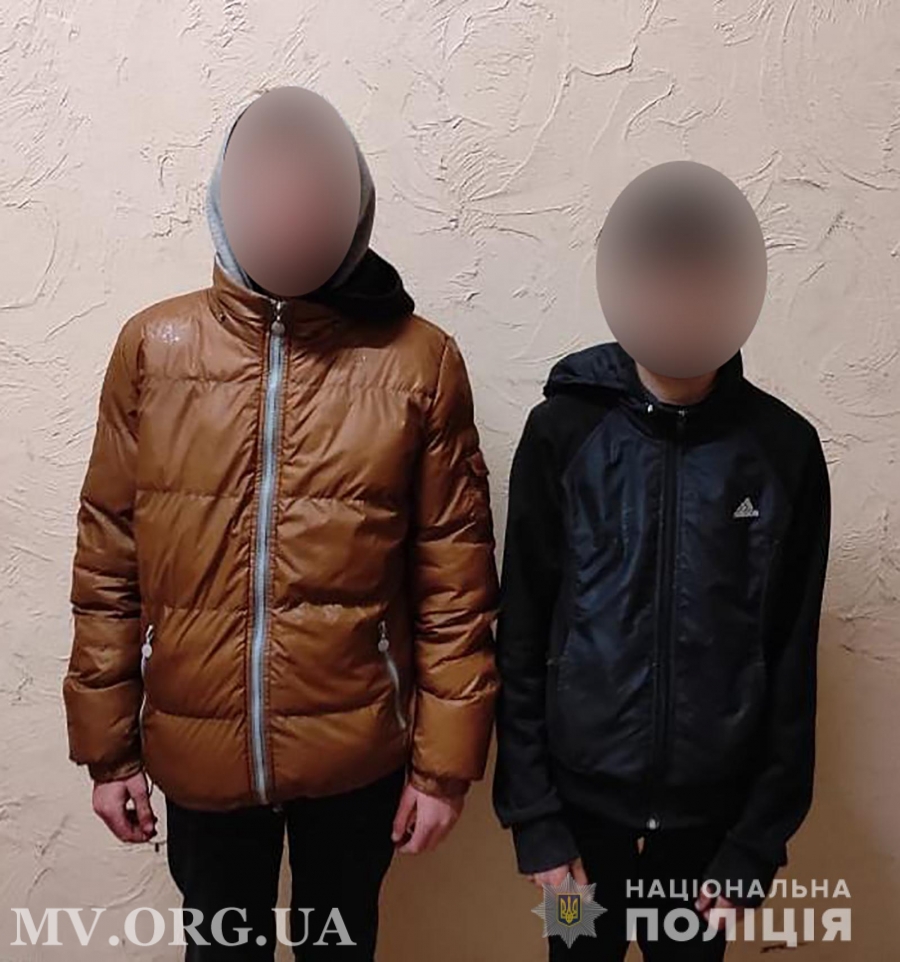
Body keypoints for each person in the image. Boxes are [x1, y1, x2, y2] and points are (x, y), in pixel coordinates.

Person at [63, 86, 499, 961]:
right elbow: (109, 558)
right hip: (198, 747)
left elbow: (455, 582)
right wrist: (109, 753)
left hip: (357, 755)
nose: (289, 214)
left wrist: (444, 770)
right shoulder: (153, 350)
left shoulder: (418, 362)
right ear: (225, 201)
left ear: (353, 204)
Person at [492, 162, 831, 960]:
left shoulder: (783, 452)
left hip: (709, 846)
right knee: (574, 953)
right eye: (661, 276)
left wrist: (754, 847)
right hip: (575, 834)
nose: (681, 298)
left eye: (702, 277)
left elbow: (792, 660)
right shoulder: (562, 433)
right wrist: (536, 822)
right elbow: (522, 632)